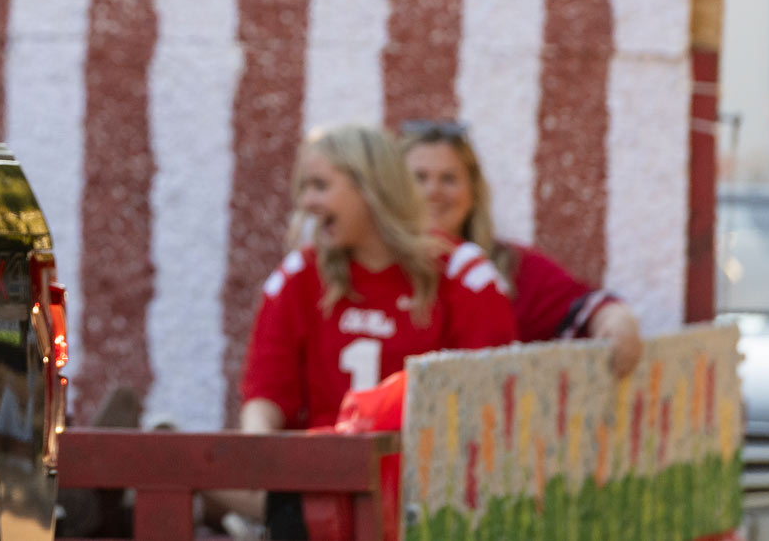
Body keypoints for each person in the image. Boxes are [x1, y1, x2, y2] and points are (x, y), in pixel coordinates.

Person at [240, 123, 518, 436]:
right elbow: (266, 394)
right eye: (304, 188)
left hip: (424, 478)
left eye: (320, 186)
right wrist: (257, 466)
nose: (307, 202)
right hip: (322, 477)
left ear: (369, 187)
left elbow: (484, 400)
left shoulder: (463, 274)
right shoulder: (301, 274)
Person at [402, 119, 643, 378]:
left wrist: (618, 323)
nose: (433, 191)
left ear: (473, 191)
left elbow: (588, 307)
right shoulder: (371, 262)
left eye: (449, 179)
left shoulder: (511, 267)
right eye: (419, 178)